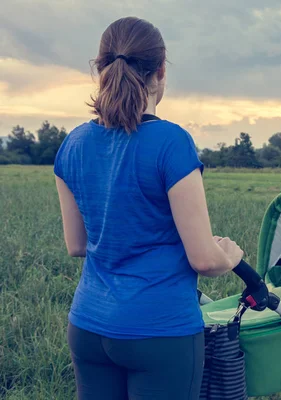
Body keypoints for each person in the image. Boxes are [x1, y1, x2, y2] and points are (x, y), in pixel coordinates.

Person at [53, 16, 244, 400]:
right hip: (160, 331)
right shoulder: (172, 142)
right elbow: (204, 261)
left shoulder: (72, 143)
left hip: (89, 327)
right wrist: (231, 255)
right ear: (160, 72)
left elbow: (76, 244)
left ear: (100, 69)